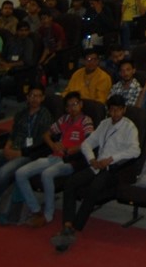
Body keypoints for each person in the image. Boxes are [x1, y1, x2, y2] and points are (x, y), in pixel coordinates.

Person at [52, 95, 140, 251]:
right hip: (97, 165)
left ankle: (76, 226)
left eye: (118, 110)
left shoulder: (129, 127)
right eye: (112, 110)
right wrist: (91, 159)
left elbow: (135, 151)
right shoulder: (104, 124)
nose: (115, 113)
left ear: (124, 110)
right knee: (71, 183)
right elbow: (87, 144)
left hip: (113, 169)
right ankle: (67, 223)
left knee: (94, 188)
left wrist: (111, 159)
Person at [11, 91, 94, 227]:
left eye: (75, 104)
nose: (72, 108)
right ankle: (36, 210)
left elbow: (90, 141)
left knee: (47, 174)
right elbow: (46, 134)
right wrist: (53, 145)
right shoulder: (64, 119)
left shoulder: (86, 121)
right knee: (20, 173)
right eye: (69, 106)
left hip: (71, 160)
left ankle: (48, 215)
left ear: (81, 104)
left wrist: (72, 149)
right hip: (54, 156)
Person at [0, 84, 53, 215]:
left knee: (3, 173)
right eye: (32, 96)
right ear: (27, 97)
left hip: (27, 154)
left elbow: (41, 143)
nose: (35, 99)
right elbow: (13, 133)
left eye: (38, 96)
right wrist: (7, 146)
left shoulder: (45, 116)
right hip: (12, 148)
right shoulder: (21, 113)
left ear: (43, 98)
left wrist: (19, 153)